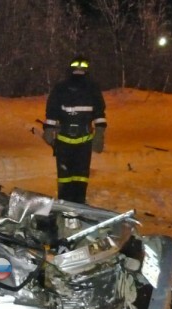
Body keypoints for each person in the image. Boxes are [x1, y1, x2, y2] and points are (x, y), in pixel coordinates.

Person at [43, 55, 107, 204]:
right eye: (76, 67)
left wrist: (100, 132)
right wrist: (48, 129)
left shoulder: (90, 88)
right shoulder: (64, 88)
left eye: (81, 67)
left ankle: (77, 206)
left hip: (78, 141)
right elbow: (52, 111)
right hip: (71, 141)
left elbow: (99, 113)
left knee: (79, 177)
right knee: (70, 177)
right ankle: (67, 207)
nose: (78, 70)